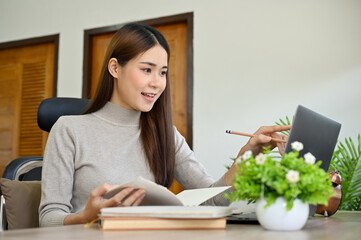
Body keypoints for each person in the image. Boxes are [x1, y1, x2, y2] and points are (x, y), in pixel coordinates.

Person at [39, 23, 290, 227]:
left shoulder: (166, 134)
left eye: (162, 73)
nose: (157, 83)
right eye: (147, 70)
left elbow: (213, 200)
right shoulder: (69, 129)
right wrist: (85, 216)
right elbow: (48, 219)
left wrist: (248, 154)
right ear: (115, 68)